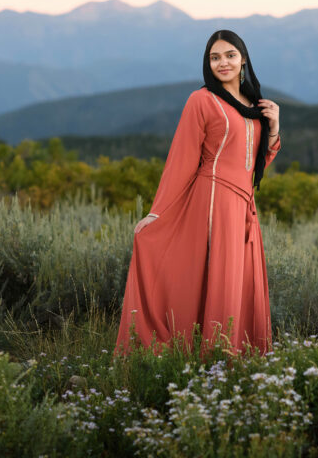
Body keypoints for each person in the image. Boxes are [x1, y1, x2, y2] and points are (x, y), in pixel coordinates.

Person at [113, 29, 282, 359]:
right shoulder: (202, 100)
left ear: (243, 59)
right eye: (215, 57)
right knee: (214, 277)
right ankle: (206, 356)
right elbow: (182, 159)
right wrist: (157, 213)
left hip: (243, 206)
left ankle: (234, 356)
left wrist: (274, 127)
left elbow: (255, 162)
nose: (223, 63)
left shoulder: (256, 104)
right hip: (212, 202)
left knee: (236, 282)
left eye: (230, 55)